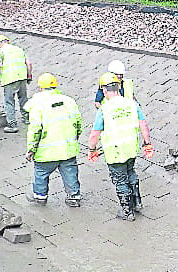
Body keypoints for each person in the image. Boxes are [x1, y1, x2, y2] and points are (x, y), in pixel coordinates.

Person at [88, 72, 153, 220]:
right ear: (118, 87)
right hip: (131, 149)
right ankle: (137, 203)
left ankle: (127, 212)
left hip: (115, 152)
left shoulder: (104, 110)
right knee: (131, 172)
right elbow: (143, 124)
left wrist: (92, 149)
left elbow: (94, 134)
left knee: (120, 179)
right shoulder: (132, 104)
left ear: (104, 90)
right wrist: (147, 143)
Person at [24, 73, 83, 207]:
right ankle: (74, 197)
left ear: (40, 88)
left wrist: (30, 150)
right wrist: (75, 137)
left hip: (46, 151)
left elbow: (35, 131)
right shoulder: (69, 101)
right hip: (67, 149)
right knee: (70, 173)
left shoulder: (37, 105)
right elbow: (78, 123)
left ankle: (40, 196)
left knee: (41, 173)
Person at [0, 34, 32, 132]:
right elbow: (29, 63)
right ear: (7, 41)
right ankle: (26, 118)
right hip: (22, 77)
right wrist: (29, 75)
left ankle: (12, 125)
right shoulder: (19, 49)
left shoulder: (0, 51)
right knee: (23, 99)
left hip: (9, 79)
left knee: (9, 102)